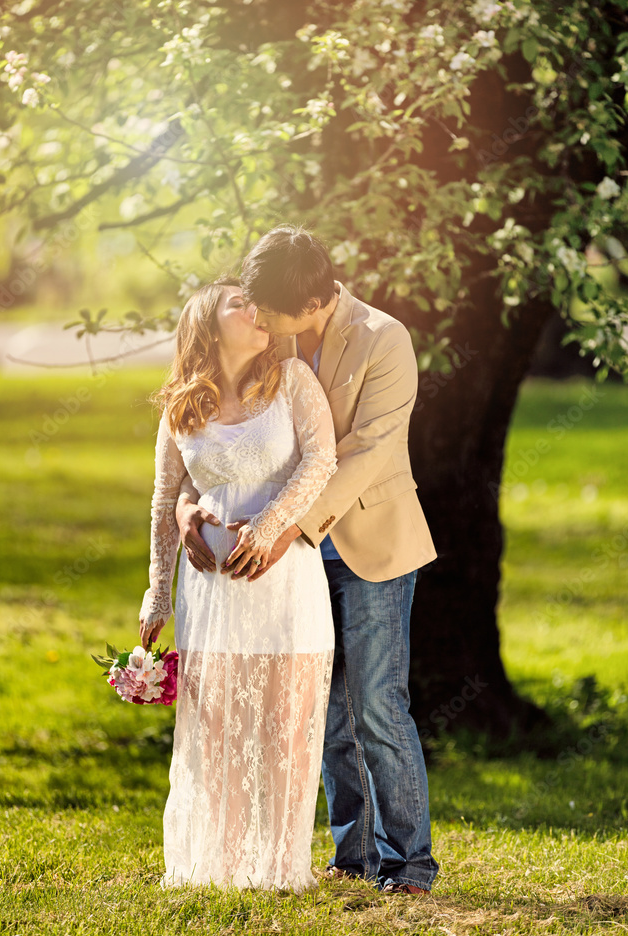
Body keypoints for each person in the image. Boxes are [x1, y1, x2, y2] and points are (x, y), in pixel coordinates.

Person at [176, 227, 440, 894]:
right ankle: (351, 852)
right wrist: (190, 509)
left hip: (362, 538)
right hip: (279, 546)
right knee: (318, 704)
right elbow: (223, 434)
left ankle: (407, 862)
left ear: (314, 300)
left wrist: (282, 529)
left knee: (375, 701)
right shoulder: (276, 337)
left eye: (270, 309)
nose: (256, 319)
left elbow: (366, 453)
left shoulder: (385, 340)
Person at [138, 276, 338, 892]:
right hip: (212, 592)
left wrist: (271, 527)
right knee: (217, 722)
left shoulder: (293, 381)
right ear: (204, 322)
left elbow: (321, 459)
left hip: (285, 578)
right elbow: (167, 496)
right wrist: (158, 592)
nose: (256, 311)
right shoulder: (182, 404)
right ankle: (215, 866)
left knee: (284, 719)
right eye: (237, 303)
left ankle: (277, 868)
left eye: (257, 302)